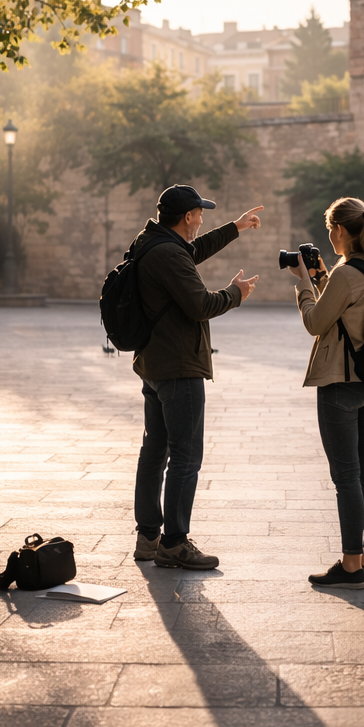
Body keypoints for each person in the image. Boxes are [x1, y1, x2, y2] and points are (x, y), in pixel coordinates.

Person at [131, 184, 263, 570]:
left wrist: (233, 228)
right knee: (186, 455)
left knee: (155, 451)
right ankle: (173, 543)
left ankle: (148, 536)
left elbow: (191, 253)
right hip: (178, 368)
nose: (202, 219)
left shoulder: (151, 242)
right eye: (199, 214)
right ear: (188, 216)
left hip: (154, 364)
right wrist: (235, 294)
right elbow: (200, 304)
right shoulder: (169, 253)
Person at [288, 196, 364, 590]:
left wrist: (302, 284)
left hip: (340, 385)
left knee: (346, 476)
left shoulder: (347, 273)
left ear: (343, 231)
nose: (329, 235)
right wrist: (321, 278)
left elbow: (317, 322)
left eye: (332, 228)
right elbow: (345, 309)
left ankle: (350, 568)